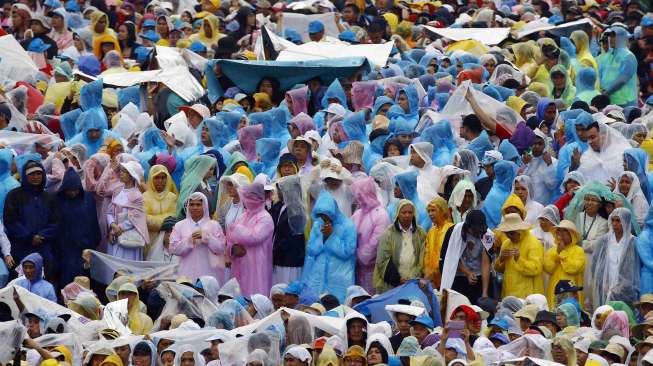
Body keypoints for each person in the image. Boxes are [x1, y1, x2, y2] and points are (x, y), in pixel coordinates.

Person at [4, 159, 58, 279]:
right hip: (20, 247)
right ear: (25, 175)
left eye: (39, 174)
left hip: (44, 247)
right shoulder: (14, 195)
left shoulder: (49, 197)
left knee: (44, 280)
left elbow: (56, 222)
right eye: (32, 174)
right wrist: (29, 237)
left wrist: (42, 236)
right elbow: (10, 220)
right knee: (21, 283)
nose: (36, 177)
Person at [302, 190, 356, 301]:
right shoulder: (318, 224)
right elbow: (311, 250)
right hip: (318, 278)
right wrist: (323, 237)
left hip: (339, 278)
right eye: (321, 215)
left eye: (326, 215)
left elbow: (348, 252)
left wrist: (332, 235)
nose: (324, 219)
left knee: (336, 308)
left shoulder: (348, 226)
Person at [227, 182, 274, 297]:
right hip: (239, 263)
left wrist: (236, 229)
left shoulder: (265, 218)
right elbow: (230, 237)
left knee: (254, 296)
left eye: (249, 197)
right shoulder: (244, 215)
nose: (246, 200)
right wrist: (232, 248)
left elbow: (254, 237)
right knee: (238, 295)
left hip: (256, 265)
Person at [55, 167, 100, 286]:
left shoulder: (88, 198)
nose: (72, 193)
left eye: (75, 189)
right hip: (66, 248)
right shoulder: (58, 200)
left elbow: (93, 220)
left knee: (85, 280)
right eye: (69, 190)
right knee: (68, 280)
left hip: (85, 246)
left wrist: (95, 241)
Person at [170, 192, 226, 283]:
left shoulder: (214, 225)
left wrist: (207, 238)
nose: (195, 207)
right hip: (186, 272)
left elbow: (220, 248)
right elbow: (174, 249)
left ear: (205, 206)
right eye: (191, 204)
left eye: (198, 205)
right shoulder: (179, 225)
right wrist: (189, 240)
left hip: (209, 272)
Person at [440, 210, 493, 304]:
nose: (477, 234)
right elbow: (451, 258)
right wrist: (467, 273)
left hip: (479, 276)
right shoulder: (454, 232)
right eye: (475, 231)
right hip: (458, 276)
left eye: (479, 231)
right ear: (468, 227)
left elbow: (486, 263)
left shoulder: (488, 235)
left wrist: (485, 293)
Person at [373, 200, 426, 294]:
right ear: (398, 214)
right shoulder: (388, 234)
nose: (407, 215)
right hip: (392, 285)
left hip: (413, 283)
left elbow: (422, 258)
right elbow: (383, 260)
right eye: (404, 212)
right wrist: (399, 280)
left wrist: (413, 279)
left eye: (410, 212)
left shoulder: (420, 233)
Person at [592, 208, 641, 306]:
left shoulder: (633, 242)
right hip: (606, 288)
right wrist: (603, 284)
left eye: (618, 220)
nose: (614, 224)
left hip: (625, 292)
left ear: (626, 221)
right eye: (612, 220)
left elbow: (634, 271)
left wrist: (621, 287)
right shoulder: (604, 241)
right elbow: (596, 265)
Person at [350, 177, 390, 294]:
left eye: (361, 194)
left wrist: (361, 256)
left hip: (373, 267)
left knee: (370, 297)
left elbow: (376, 241)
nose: (358, 198)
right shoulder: (358, 214)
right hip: (357, 267)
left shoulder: (381, 214)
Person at [494, 213, 545, 299]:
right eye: (507, 233)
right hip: (508, 293)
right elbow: (499, 269)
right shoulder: (506, 244)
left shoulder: (533, 243)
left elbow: (536, 269)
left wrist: (519, 259)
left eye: (512, 233)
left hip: (527, 295)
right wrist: (501, 259)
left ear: (519, 230)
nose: (509, 236)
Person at [107, 161, 149, 261]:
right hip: (115, 235)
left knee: (127, 265)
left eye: (124, 171)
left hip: (129, 237)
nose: (121, 173)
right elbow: (109, 212)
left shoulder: (137, 195)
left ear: (131, 175)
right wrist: (113, 226)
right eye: (121, 171)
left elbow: (135, 217)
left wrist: (119, 228)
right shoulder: (117, 191)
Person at [270, 175, 307, 285]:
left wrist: (275, 251)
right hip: (280, 258)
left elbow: (289, 237)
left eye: (281, 190)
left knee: (286, 286)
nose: (279, 193)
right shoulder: (282, 205)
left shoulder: (296, 211)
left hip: (289, 260)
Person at [543, 220, 586, 308]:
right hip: (554, 291)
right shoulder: (552, 251)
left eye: (565, 231)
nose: (561, 234)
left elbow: (573, 268)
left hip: (571, 292)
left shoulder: (578, 251)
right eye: (559, 231)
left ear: (572, 234)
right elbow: (548, 268)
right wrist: (556, 254)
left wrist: (562, 253)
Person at [143, 165, 178, 256]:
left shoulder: (172, 197)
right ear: (151, 179)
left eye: (163, 178)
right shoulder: (145, 197)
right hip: (150, 239)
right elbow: (145, 220)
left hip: (167, 240)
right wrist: (165, 221)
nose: (160, 181)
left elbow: (174, 217)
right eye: (156, 177)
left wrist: (156, 219)